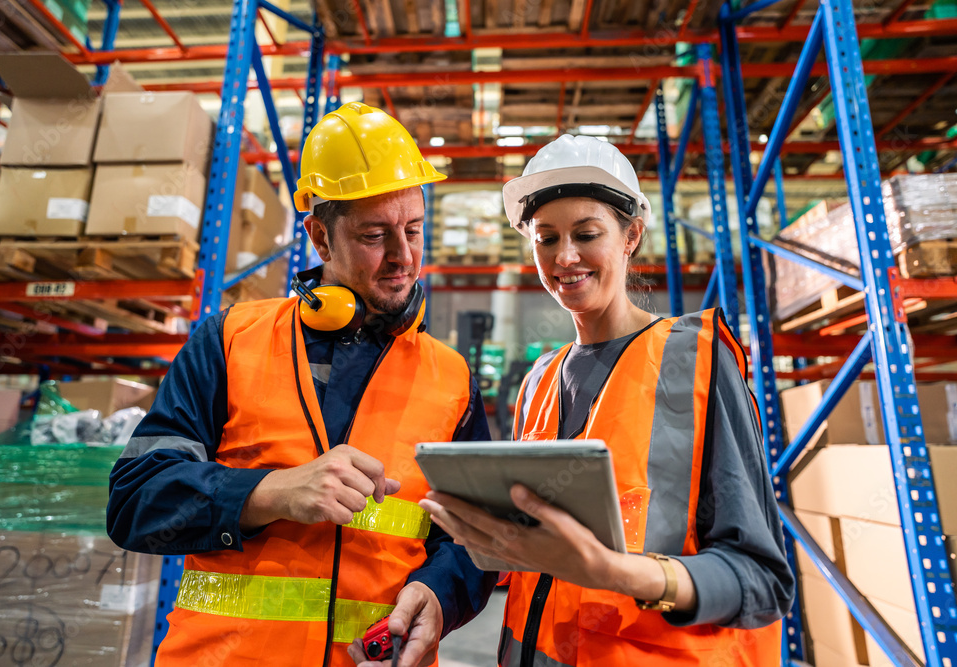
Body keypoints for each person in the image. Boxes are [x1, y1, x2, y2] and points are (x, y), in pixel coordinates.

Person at [107, 102, 497, 667]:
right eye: (374, 235)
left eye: (413, 229)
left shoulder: (453, 378)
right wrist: (268, 493)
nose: (404, 257)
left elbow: (475, 538)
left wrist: (440, 595)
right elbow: (135, 500)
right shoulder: (229, 340)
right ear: (319, 235)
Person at [419, 135, 795, 666]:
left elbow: (761, 582)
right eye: (546, 238)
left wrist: (615, 573)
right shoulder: (539, 383)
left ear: (631, 236)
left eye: (586, 234)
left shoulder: (695, 363)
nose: (565, 256)